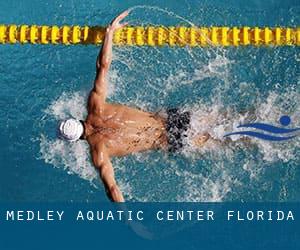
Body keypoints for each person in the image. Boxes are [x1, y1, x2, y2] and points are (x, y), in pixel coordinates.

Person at [58, 11, 210, 202]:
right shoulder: (95, 105)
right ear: (76, 119)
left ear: (76, 140)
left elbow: (112, 189)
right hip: (172, 118)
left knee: (228, 141)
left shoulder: (99, 152)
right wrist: (109, 33)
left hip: (171, 140)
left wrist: (130, 221)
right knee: (226, 118)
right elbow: (103, 66)